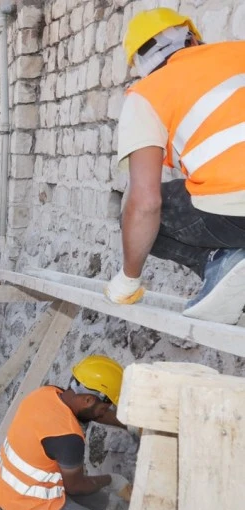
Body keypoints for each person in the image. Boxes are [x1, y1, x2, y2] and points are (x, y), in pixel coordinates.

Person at [106, 8, 245, 325]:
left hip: (237, 212)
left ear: (140, 64)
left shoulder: (146, 94)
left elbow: (145, 203)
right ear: (193, 39)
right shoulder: (240, 52)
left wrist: (128, 280)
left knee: (144, 214)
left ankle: (223, 263)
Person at [0, 355, 131, 510]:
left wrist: (130, 425)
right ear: (88, 400)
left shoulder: (45, 394)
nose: (101, 415)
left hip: (5, 492)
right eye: (104, 408)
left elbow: (95, 413)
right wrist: (113, 481)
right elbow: (76, 487)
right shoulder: (68, 437)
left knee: (99, 500)